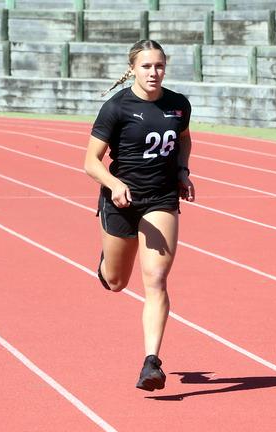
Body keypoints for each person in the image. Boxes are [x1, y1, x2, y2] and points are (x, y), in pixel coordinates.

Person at [84, 39, 195, 392]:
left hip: (160, 199)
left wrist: (182, 171)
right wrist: (114, 184)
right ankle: (106, 263)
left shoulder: (178, 105)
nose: (154, 72)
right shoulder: (116, 108)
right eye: (146, 66)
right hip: (120, 201)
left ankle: (151, 362)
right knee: (117, 282)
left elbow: (184, 139)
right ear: (133, 68)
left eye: (159, 66)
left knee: (157, 279)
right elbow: (90, 162)